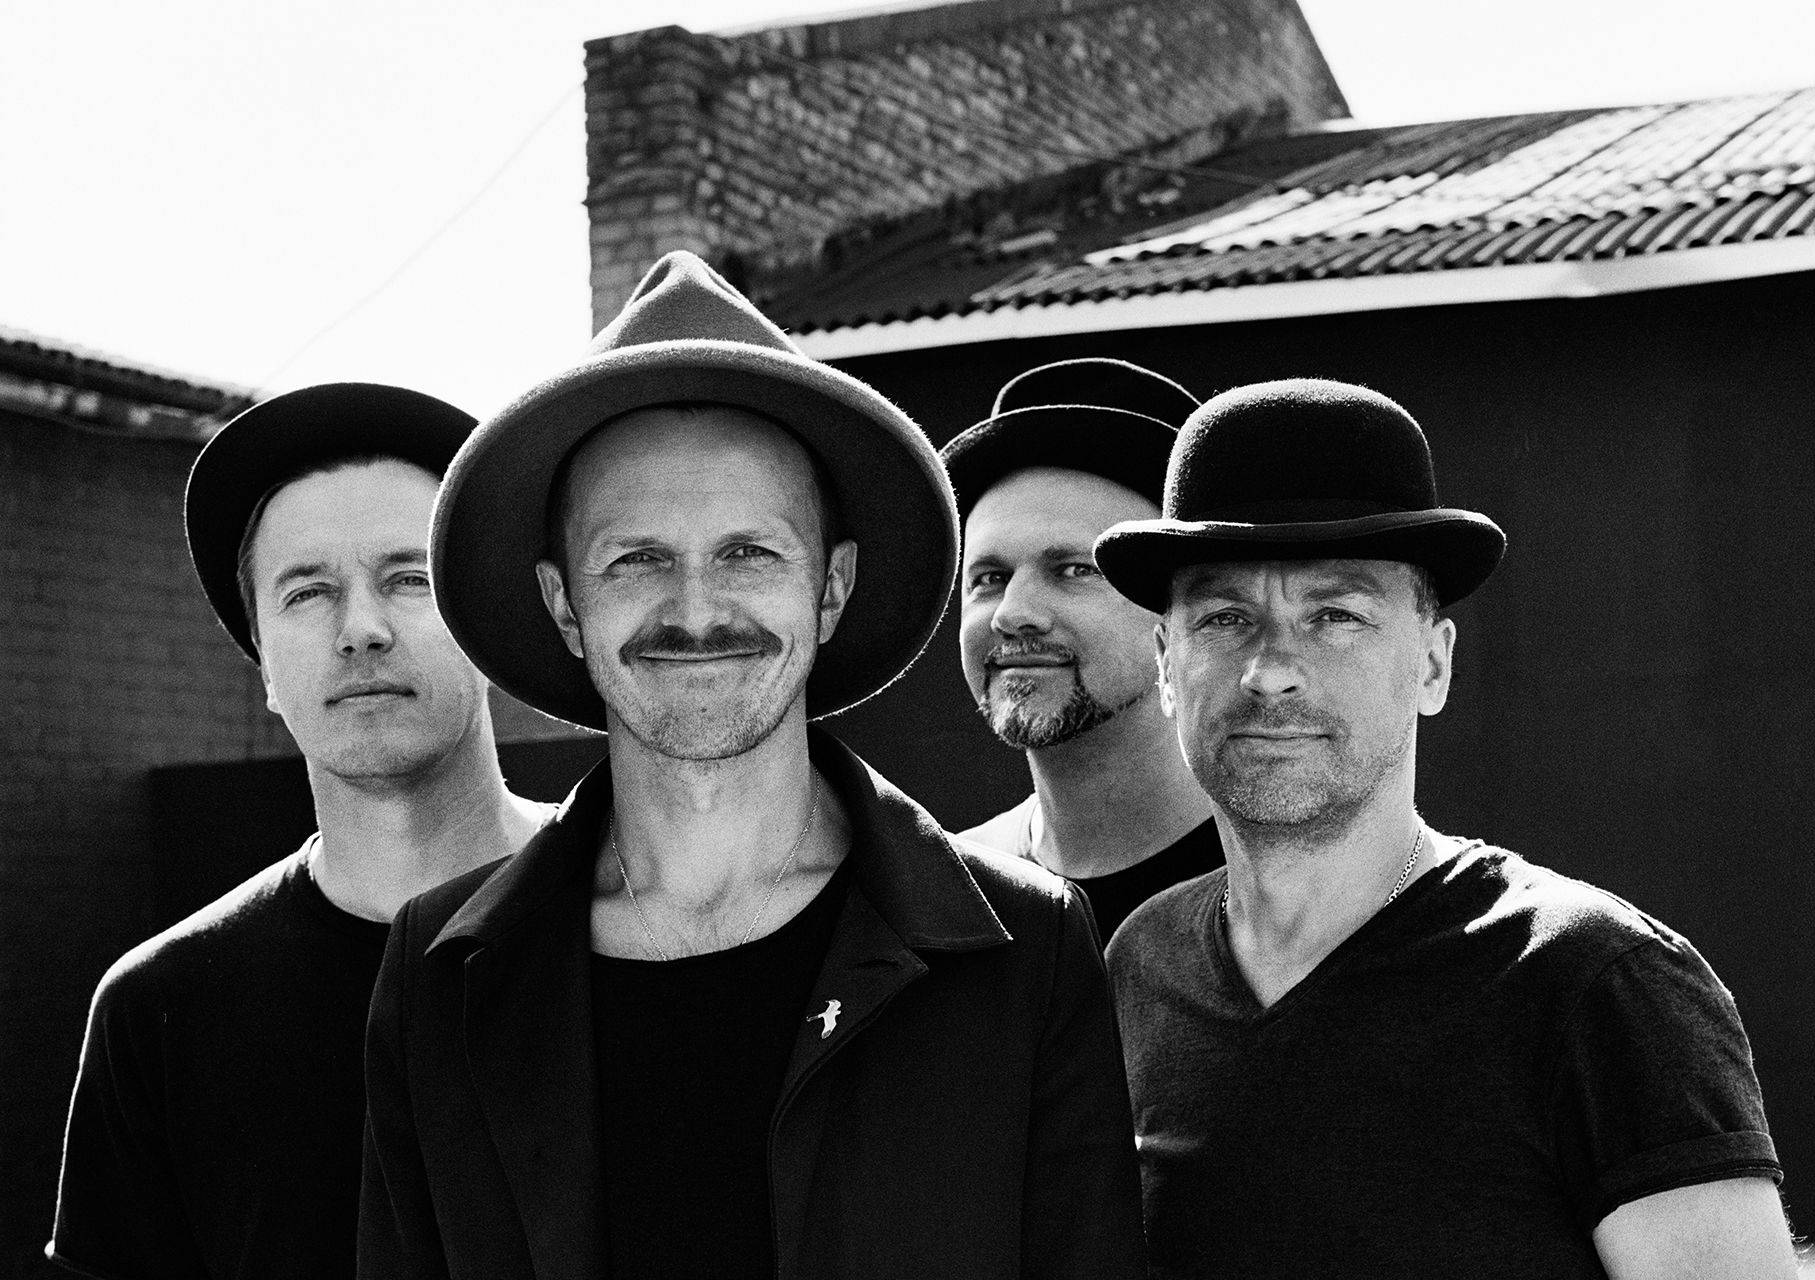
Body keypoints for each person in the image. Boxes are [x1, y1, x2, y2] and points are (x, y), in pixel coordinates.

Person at [358, 252, 1145, 1280]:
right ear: (564, 606)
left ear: (832, 589)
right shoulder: (442, 979)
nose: (695, 610)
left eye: (748, 553)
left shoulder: (1021, 954)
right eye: (636, 558)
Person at [1096, 379, 1795, 1279]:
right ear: (1165, 665)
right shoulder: (1140, 965)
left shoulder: (1597, 986)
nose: (1271, 671)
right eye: (1226, 618)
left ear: (1433, 663)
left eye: (1336, 616)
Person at [47, 384, 552, 1280]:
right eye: (308, 592)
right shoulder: (159, 1010)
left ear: (487, 622)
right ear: (264, 668)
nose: (361, 630)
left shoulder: (649, 918)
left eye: (409, 579)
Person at [943, 359, 1220, 942]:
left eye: (1073, 570)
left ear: (1183, 609)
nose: (1012, 613)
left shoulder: (1286, 888)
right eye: (989, 578)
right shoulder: (947, 893)